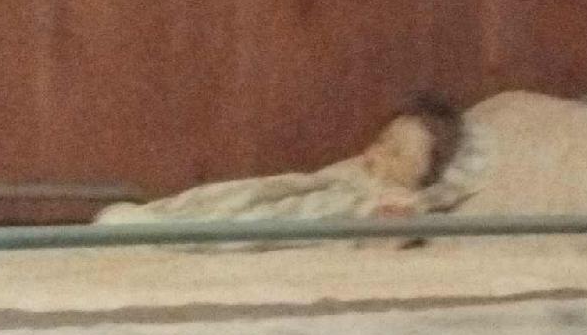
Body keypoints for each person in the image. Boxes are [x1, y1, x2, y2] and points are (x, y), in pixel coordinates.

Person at [95, 96, 468, 236]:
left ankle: (174, 235)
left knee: (260, 222)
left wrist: (391, 217)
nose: (378, 153)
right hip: (296, 201)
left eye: (397, 153)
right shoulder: (345, 175)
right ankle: (170, 221)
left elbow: (393, 229)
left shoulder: (396, 200)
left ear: (426, 176)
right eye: (382, 141)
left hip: (302, 224)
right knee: (247, 197)